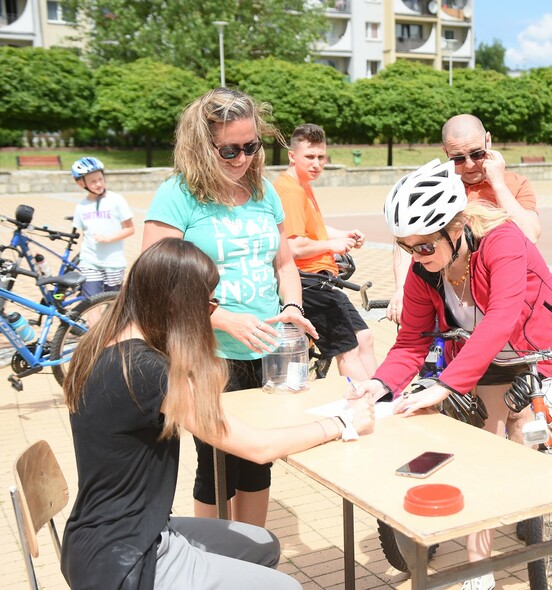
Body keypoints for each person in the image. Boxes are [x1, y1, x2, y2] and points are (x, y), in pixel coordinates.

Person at [352, 159, 552, 590]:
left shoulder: (501, 240)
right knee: (486, 455)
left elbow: (502, 316)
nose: (416, 257)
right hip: (486, 361)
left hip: (551, 347)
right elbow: (411, 341)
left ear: (456, 227)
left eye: (424, 246)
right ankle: (479, 570)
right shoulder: (423, 272)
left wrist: (447, 383)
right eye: (406, 247)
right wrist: (377, 386)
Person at [60, 237, 373, 590]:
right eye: (208, 305)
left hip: (102, 536)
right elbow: (256, 448)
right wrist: (341, 422)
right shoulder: (149, 371)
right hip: (127, 558)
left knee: (260, 544)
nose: (210, 314)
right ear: (178, 306)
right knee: (287, 587)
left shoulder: (107, 343)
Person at [142, 87, 317, 528]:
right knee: (216, 465)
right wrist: (221, 317)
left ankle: (253, 557)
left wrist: (292, 306)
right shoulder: (177, 195)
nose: (242, 159)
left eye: (251, 146)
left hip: (267, 350)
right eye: (228, 150)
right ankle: (216, 558)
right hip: (207, 352)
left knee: (260, 459)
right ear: (202, 145)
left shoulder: (262, 192)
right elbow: (155, 282)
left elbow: (285, 264)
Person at [386, 113, 540, 325]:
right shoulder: (435, 189)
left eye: (477, 154)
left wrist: (498, 183)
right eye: (458, 158)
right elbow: (409, 239)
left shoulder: (515, 184)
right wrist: (402, 289)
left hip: (503, 294)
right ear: (445, 152)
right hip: (448, 295)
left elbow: (529, 236)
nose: (468, 165)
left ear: (489, 140)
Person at [273, 123, 376, 380]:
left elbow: (312, 229)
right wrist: (332, 246)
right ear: (292, 155)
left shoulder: (302, 185)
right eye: (309, 157)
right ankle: (363, 404)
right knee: (349, 349)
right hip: (308, 284)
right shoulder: (290, 191)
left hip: (320, 282)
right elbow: (293, 246)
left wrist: (343, 235)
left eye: (321, 157)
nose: (316, 163)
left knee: (365, 337)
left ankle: (381, 397)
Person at [70, 156, 135, 297]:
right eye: (93, 181)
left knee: (112, 306)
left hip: (113, 262)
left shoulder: (116, 200)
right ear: (81, 183)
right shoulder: (81, 206)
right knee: (90, 304)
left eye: (100, 179)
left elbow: (130, 228)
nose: (98, 184)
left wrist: (108, 238)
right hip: (89, 262)